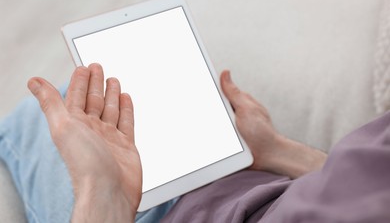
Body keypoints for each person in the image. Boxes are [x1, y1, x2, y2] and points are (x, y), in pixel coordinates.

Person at [0, 63, 389, 222]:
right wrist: (277, 151)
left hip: (159, 214)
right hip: (249, 179)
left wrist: (102, 198)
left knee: (41, 113)